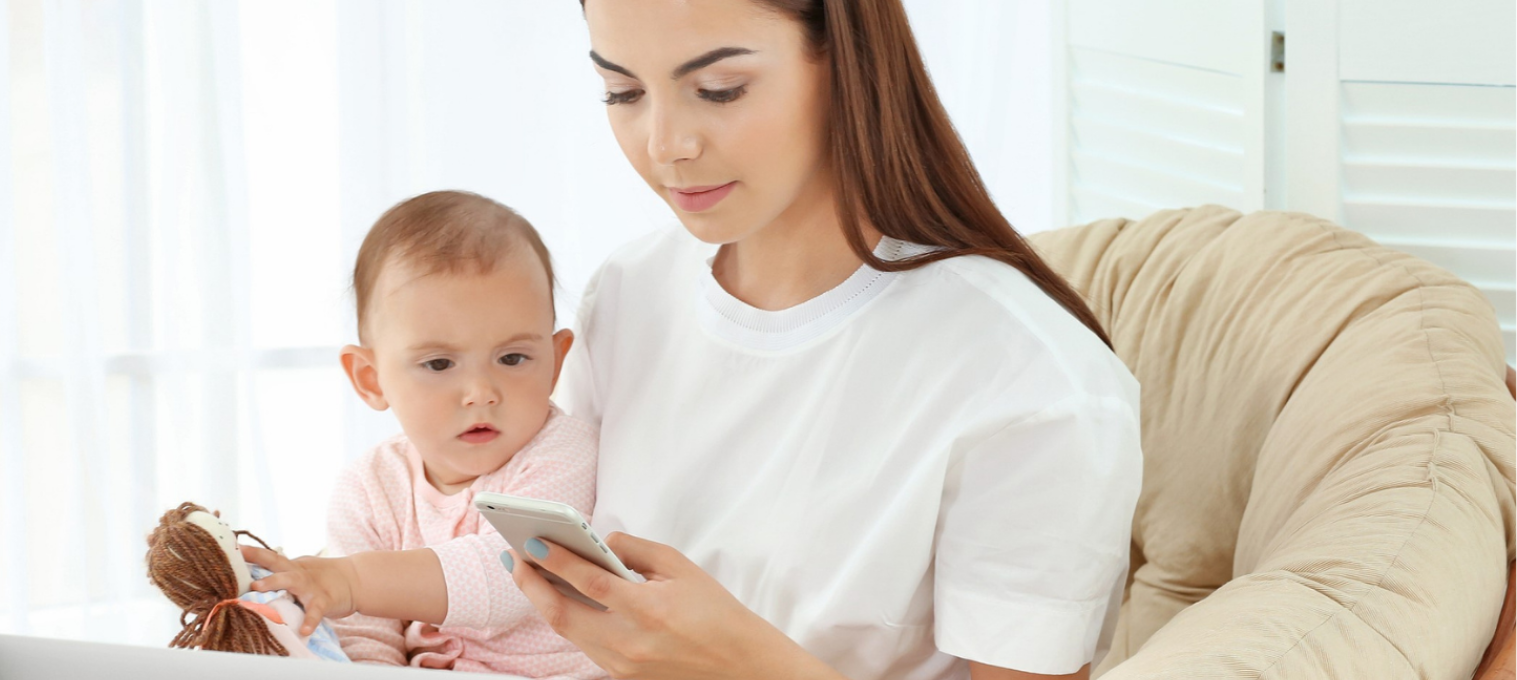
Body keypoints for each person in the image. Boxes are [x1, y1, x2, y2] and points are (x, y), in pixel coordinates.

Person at [500, 1, 1143, 679]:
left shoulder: (1031, 381)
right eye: (622, 92)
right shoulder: (631, 291)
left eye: (719, 90)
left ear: (846, 62)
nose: (665, 144)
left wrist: (746, 665)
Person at [243, 190, 607, 679]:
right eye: (439, 363)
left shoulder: (563, 454)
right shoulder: (369, 488)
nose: (481, 392)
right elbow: (364, 635)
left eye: (513, 358)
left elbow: (505, 576)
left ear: (556, 360)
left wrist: (349, 578)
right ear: (371, 379)